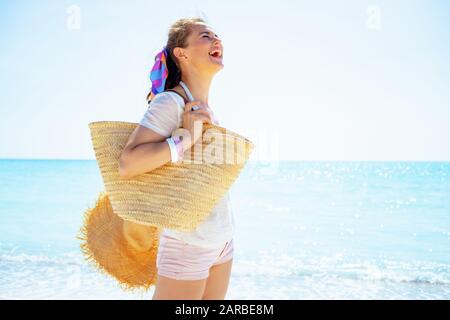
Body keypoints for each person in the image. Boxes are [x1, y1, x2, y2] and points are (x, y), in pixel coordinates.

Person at [118, 17, 235, 300]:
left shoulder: (204, 107)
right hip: (188, 243)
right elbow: (128, 164)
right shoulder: (170, 102)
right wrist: (185, 138)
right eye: (206, 36)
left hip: (221, 241)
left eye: (216, 35)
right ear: (181, 53)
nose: (216, 40)